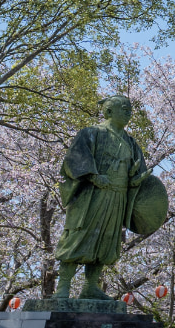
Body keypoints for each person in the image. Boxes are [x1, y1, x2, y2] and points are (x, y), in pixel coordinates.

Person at [54, 95, 150, 300]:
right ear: (107, 111)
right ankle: (63, 286)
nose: (128, 112)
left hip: (118, 197)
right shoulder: (91, 133)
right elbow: (75, 159)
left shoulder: (131, 142)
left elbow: (137, 172)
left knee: (106, 239)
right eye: (123, 108)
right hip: (92, 195)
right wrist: (94, 176)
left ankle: (90, 285)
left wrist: (134, 181)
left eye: (129, 109)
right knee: (79, 236)